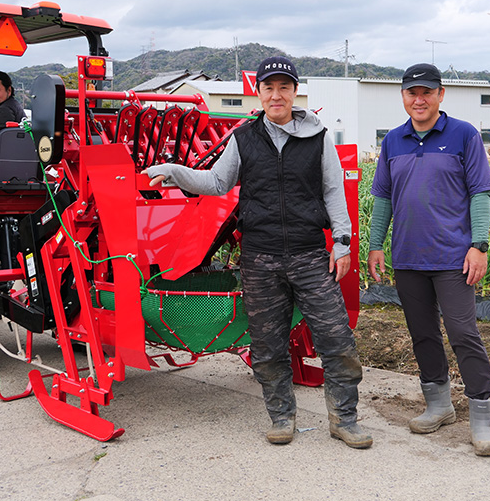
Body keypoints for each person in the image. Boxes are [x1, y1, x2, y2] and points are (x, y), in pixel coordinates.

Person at [146, 55, 371, 449]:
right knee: (267, 346)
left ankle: (345, 420)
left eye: (284, 87)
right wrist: (174, 169)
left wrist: (341, 243)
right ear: (260, 92)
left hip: (309, 256)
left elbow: (334, 192)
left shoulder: (318, 139)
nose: (276, 94)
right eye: (269, 87)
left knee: (337, 340)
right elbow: (217, 182)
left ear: (295, 91)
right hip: (260, 258)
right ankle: (282, 418)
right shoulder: (243, 138)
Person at [367, 62, 490, 456]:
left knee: (463, 334)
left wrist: (480, 244)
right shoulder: (394, 140)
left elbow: (480, 192)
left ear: (441, 95)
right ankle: (439, 406)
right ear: (404, 97)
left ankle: (482, 418)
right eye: (412, 92)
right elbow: (383, 199)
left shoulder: (463, 135)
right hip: (408, 257)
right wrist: (377, 245)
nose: (419, 99)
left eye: (427, 92)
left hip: (454, 258)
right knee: (422, 334)